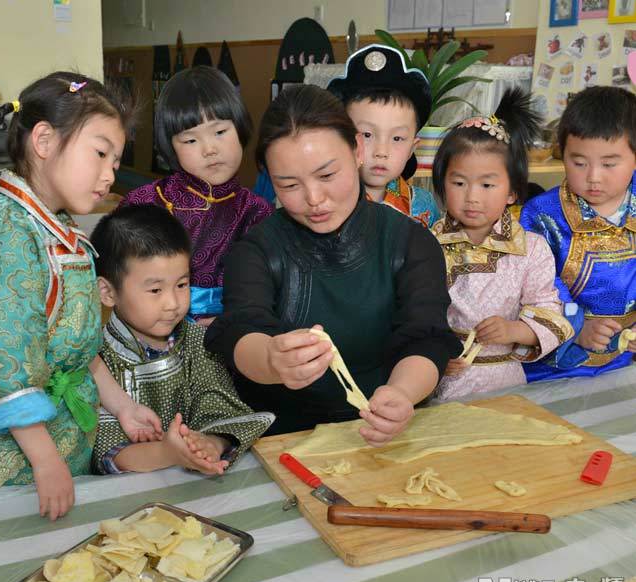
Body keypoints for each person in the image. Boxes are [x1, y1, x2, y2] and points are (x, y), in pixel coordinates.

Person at [0, 72, 158, 521]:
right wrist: (46, 460)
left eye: (115, 162)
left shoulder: (62, 233)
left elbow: (75, 348)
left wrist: (123, 406)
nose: (109, 175)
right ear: (44, 140)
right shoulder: (4, 237)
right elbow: (4, 370)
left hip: (56, 443)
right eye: (100, 153)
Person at [205, 85, 460, 437]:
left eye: (327, 175)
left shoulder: (410, 241)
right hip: (283, 439)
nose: (314, 199)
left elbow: (426, 339)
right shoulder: (256, 250)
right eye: (289, 185)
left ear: (357, 149)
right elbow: (241, 331)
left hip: (385, 431)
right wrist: (271, 360)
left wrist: (401, 395)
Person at [89, 204, 273, 475]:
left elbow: (222, 412)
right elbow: (109, 454)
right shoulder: (97, 359)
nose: (173, 303)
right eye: (155, 289)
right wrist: (168, 452)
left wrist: (210, 443)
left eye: (182, 285)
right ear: (107, 292)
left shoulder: (200, 341)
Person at [430, 89, 573, 399]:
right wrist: (432, 354)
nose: (472, 197)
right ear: (442, 184)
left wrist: (513, 331)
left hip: (504, 384)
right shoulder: (426, 241)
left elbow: (549, 312)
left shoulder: (531, 248)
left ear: (511, 192)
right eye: (459, 183)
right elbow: (412, 313)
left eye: (487, 184)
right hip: (441, 380)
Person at [120, 66, 272, 323]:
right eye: (191, 140)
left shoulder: (258, 212)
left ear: (241, 128)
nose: (210, 149)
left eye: (220, 132)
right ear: (170, 147)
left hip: (232, 337)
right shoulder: (143, 204)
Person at [519, 86, 636, 380]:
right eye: (579, 163)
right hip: (555, 367)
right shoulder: (541, 216)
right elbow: (537, 286)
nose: (594, 177)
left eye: (609, 164)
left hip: (626, 359)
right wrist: (577, 327)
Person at [328, 44, 441, 228]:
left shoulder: (422, 206)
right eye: (366, 134)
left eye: (397, 138)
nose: (381, 152)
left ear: (412, 148)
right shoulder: (328, 202)